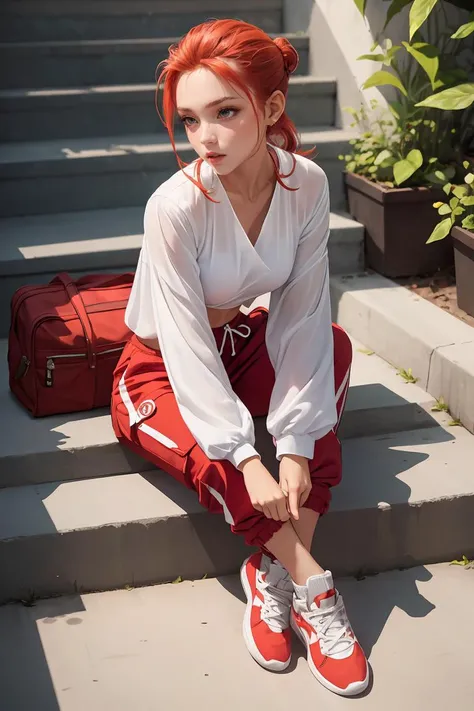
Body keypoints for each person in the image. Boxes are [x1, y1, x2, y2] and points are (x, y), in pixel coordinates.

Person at [111, 18, 369, 697]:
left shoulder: (307, 186)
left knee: (326, 369)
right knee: (218, 456)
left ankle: (269, 573)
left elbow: (305, 314)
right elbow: (188, 348)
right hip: (159, 367)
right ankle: (312, 583)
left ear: (272, 109)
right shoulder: (174, 206)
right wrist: (250, 454)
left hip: (240, 344)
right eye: (192, 119)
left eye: (226, 112)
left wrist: (290, 443)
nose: (206, 137)